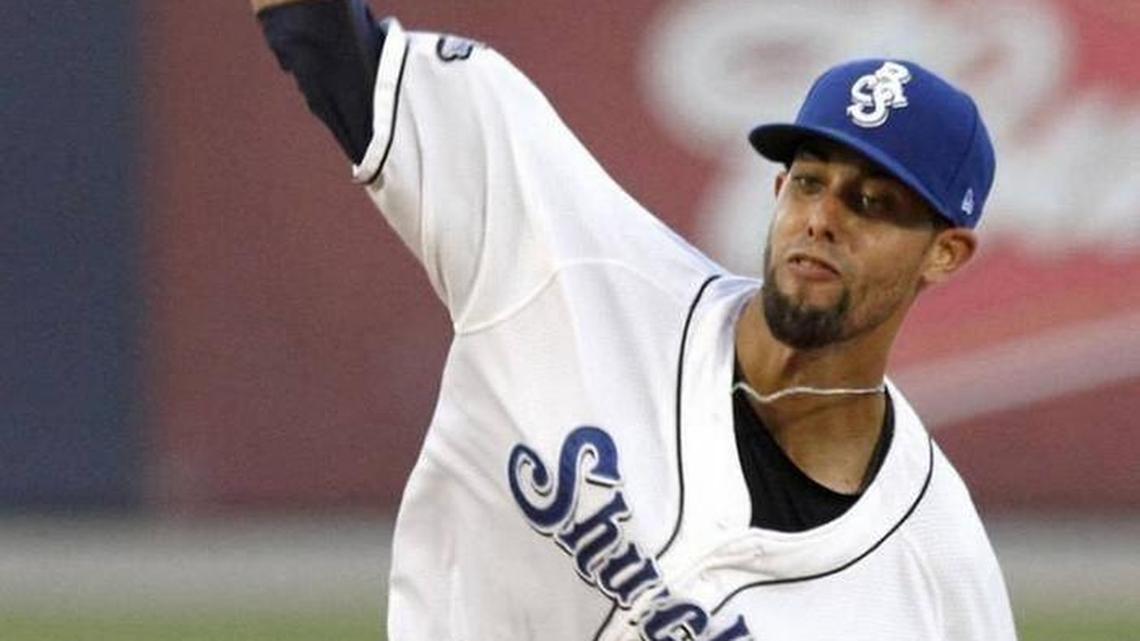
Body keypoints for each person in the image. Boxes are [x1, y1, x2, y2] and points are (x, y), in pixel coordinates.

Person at [253, 1, 1017, 639]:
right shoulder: (582, 269)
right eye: (810, 183)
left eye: (870, 203)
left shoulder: (939, 575)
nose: (820, 219)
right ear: (779, 187)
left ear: (945, 253)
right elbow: (321, 36)